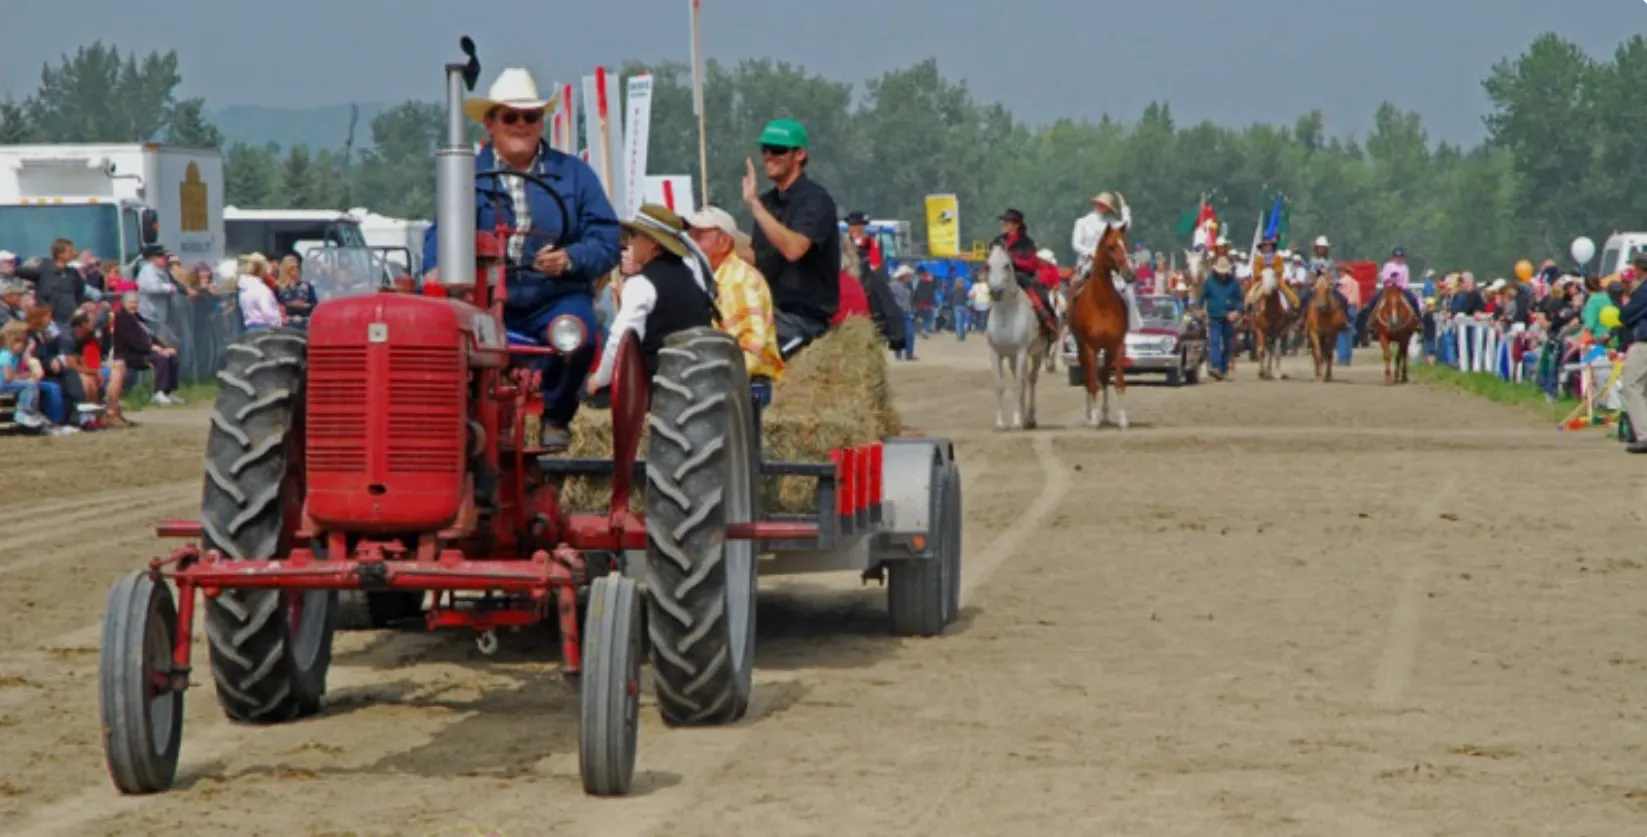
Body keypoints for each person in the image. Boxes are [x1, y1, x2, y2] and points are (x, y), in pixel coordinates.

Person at [422, 66, 621, 451]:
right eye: (510, 117)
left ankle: (556, 414)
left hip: (554, 296)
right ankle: (455, 424)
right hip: (484, 299)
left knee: (578, 335)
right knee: (439, 339)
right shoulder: (466, 175)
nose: (521, 126)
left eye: (530, 117)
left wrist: (569, 258)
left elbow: (606, 238)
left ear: (541, 123)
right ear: (490, 123)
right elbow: (442, 230)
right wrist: (435, 268)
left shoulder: (574, 174)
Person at [585, 203, 717, 393]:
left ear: (652, 243)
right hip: (698, 384)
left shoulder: (641, 285)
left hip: (656, 389)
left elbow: (620, 342)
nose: (630, 243)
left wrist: (599, 380)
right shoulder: (692, 278)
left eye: (634, 235)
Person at [743, 118, 840, 359]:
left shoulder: (815, 200)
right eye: (765, 150)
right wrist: (708, 242)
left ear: (800, 155)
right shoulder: (768, 203)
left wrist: (754, 205)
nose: (768, 157)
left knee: (749, 358)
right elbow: (758, 257)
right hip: (770, 312)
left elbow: (794, 249)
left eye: (777, 150)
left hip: (803, 321)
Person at [683, 206, 785, 382]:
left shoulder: (739, 281)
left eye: (699, 237)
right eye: (689, 237)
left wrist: (714, 381)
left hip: (743, 385)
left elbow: (752, 348)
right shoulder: (712, 278)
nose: (690, 245)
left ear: (724, 242)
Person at [991, 208, 1059, 339]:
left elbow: (1031, 264)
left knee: (1042, 296)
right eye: (1003, 222)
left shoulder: (1027, 243)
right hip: (1002, 276)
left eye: (1007, 222)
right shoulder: (997, 241)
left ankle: (1046, 319)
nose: (1003, 224)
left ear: (1017, 225)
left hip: (1023, 276)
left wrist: (1013, 261)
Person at [1615, 254, 1647, 452]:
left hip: (1644, 343)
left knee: (1632, 385)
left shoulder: (1643, 289)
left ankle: (1644, 435)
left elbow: (1626, 315)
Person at [1199, 256, 1244, 381]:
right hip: (1214, 316)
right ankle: (1215, 366)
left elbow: (1241, 299)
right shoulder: (1209, 282)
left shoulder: (1234, 282)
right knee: (1215, 341)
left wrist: (1237, 311)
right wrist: (1199, 309)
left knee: (1228, 344)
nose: (1222, 274)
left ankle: (1224, 370)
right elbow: (1201, 298)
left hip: (1230, 317)